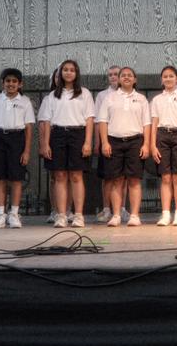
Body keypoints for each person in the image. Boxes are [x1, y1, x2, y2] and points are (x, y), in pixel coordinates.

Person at [38, 58, 94, 229]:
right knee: (60, 176)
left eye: (72, 70)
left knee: (76, 176)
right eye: (65, 69)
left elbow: (90, 119)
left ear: (76, 74)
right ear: (60, 73)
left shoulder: (84, 93)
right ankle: (61, 215)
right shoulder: (52, 96)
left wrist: (87, 142)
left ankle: (78, 215)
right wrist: (46, 144)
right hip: (58, 136)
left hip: (78, 135)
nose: (68, 72)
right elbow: (46, 122)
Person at [97, 66, 151, 227]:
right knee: (116, 180)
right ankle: (116, 215)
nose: (126, 77)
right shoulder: (110, 98)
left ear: (135, 79)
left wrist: (146, 144)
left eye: (130, 75)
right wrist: (105, 142)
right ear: (119, 80)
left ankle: (134, 215)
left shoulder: (141, 99)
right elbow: (102, 121)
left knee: (134, 180)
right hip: (114, 142)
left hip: (135, 141)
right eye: (123, 75)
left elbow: (146, 123)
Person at [0, 68, 36, 229]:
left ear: (20, 84)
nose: (11, 84)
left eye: (14, 81)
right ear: (3, 83)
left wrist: (27, 150)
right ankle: (0, 214)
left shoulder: (25, 101)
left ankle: (14, 213)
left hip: (17, 139)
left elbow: (29, 128)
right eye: (8, 81)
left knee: (16, 178)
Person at [150, 65, 177, 226]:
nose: (168, 79)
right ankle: (166, 213)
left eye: (171, 76)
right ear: (162, 80)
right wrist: (153, 145)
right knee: (166, 177)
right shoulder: (156, 99)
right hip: (162, 136)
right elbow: (154, 123)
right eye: (165, 76)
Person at [95, 65, 122, 223]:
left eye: (116, 74)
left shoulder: (129, 94)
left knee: (122, 177)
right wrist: (98, 142)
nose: (113, 77)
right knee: (107, 177)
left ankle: (122, 209)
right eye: (110, 75)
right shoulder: (102, 96)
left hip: (122, 138)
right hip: (107, 139)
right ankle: (106, 209)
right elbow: (99, 120)